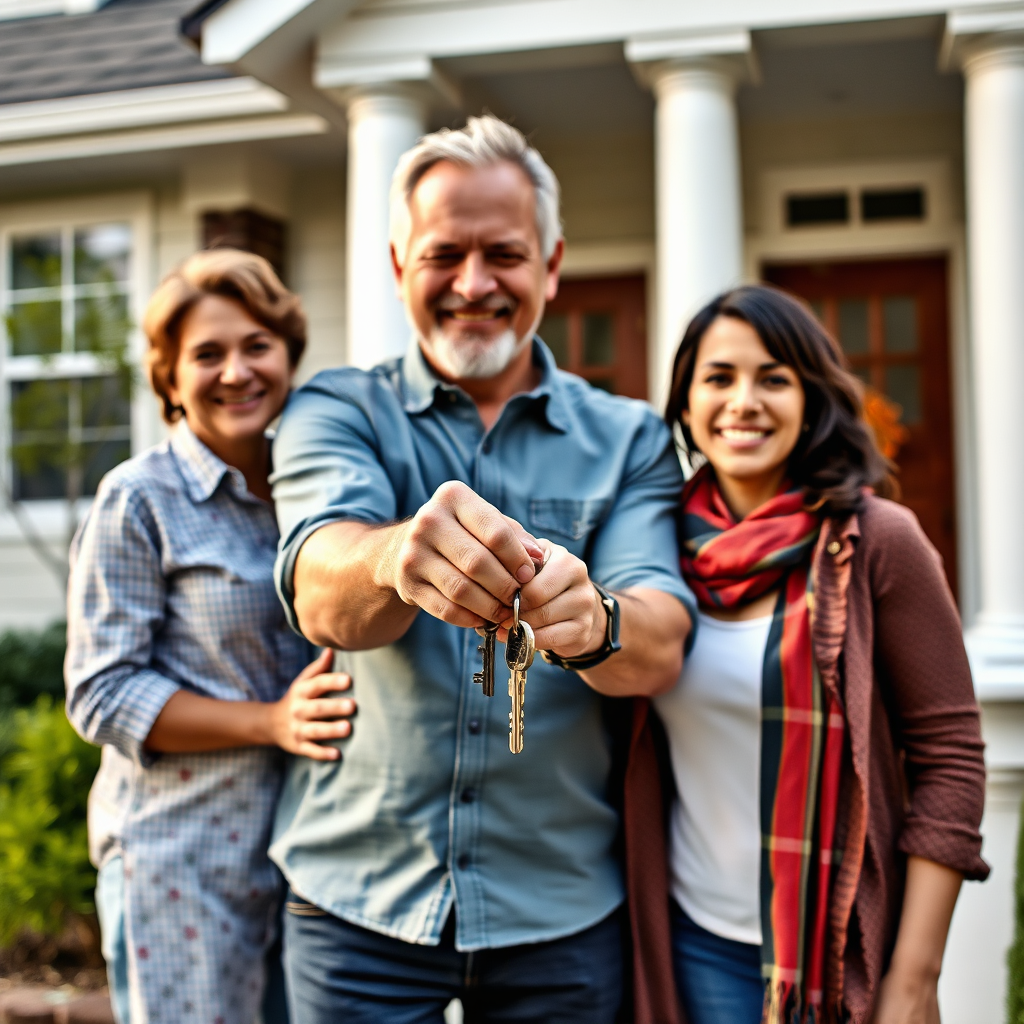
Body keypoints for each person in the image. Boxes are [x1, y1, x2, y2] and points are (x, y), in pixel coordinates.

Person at [269, 114, 695, 1024]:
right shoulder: (334, 410)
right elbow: (318, 587)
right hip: (354, 902)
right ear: (397, 266)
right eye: (442, 255)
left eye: (503, 253)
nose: (473, 283)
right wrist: (391, 557)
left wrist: (598, 622)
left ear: (550, 265)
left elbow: (659, 643)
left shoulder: (630, 439)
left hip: (563, 909)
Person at [622, 285, 988, 1024]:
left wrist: (914, 977)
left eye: (773, 378)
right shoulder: (651, 546)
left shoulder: (879, 543)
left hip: (841, 950)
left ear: (812, 396)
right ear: (686, 403)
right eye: (719, 378)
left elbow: (950, 759)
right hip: (692, 945)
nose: (744, 401)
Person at [65, 250, 357, 1024]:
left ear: (290, 356)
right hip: (180, 863)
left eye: (257, 346)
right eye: (207, 354)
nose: (237, 371)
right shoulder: (138, 501)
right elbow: (101, 693)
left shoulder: (315, 492)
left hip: (309, 858)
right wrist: (269, 722)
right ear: (168, 377)